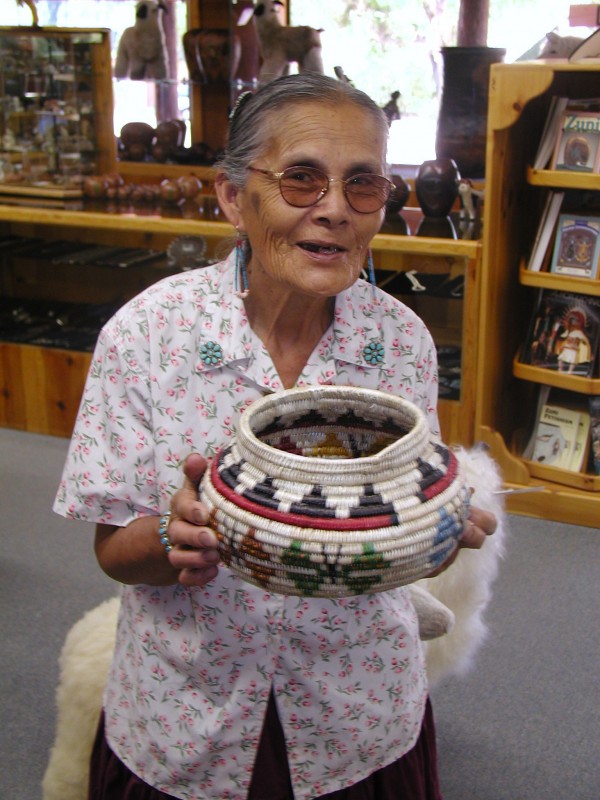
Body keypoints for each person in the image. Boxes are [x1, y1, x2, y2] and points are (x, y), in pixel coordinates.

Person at [54, 73, 497, 800]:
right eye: (300, 179)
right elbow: (114, 551)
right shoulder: (146, 335)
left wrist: (434, 527)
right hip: (188, 716)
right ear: (233, 196)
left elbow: (398, 530)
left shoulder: (403, 342)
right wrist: (176, 537)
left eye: (363, 185)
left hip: (356, 716)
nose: (333, 211)